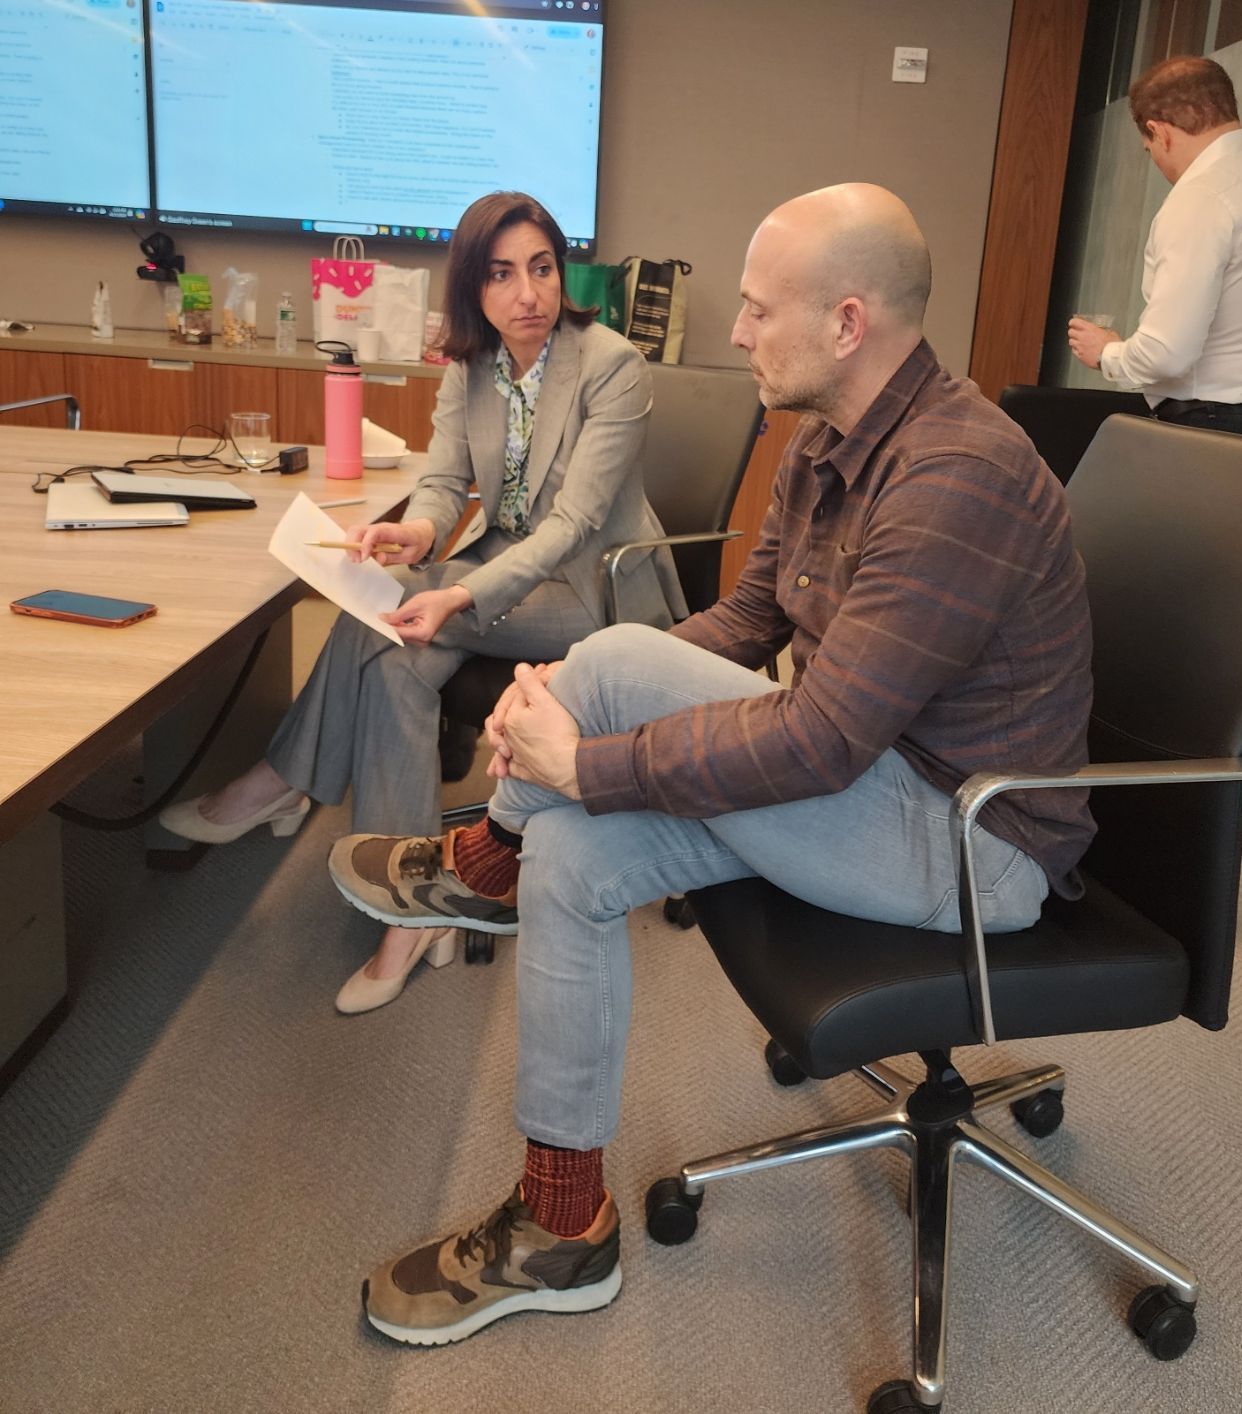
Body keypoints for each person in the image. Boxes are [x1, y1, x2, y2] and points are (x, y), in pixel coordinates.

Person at [327, 181, 1097, 1346]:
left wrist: (584, 755)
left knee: (604, 694)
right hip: (862, 783)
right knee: (576, 849)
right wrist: (565, 710)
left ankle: (485, 850)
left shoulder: (955, 474)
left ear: (845, 322)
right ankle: (561, 1220)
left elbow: (821, 737)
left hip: (966, 840)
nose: (732, 330)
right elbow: (745, 620)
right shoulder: (824, 441)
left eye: (754, 307)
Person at [162, 189, 684, 1014]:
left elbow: (575, 522)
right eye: (504, 274)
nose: (528, 294)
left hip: (591, 587)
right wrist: (421, 533)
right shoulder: (471, 365)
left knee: (390, 611)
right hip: (496, 568)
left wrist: (458, 591)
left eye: (542, 269)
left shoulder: (612, 364)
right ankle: (417, 905)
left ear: (561, 273)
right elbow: (442, 481)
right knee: (394, 648)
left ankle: (282, 779)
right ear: (473, 288)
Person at [1067, 54, 1242, 448]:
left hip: (1215, 427)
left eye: (1147, 146)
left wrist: (1108, 353)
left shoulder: (1200, 197)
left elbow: (1167, 353)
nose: (1154, 158)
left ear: (1160, 131)